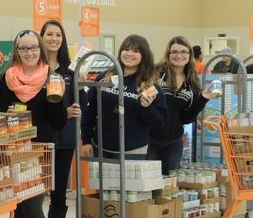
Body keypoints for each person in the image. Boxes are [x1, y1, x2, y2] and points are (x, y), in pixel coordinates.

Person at [0, 29, 67, 218]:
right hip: (12, 151)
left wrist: (55, 100)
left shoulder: (52, 77)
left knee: (32, 206)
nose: (29, 53)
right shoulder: (6, 79)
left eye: (33, 48)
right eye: (24, 48)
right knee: (18, 208)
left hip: (39, 152)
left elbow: (58, 122)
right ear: (17, 51)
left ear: (40, 50)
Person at [40, 20, 84, 218]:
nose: (53, 38)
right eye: (49, 34)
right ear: (41, 37)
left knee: (58, 195)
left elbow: (82, 101)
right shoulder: (33, 69)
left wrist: (77, 112)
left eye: (58, 34)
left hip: (65, 141)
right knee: (33, 196)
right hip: (39, 141)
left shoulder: (70, 71)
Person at [81, 34, 167, 160]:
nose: (129, 54)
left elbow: (160, 122)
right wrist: (86, 139)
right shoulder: (104, 78)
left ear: (144, 55)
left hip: (133, 150)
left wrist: (147, 108)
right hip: (100, 147)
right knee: (101, 181)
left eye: (136, 51)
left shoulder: (150, 86)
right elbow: (90, 110)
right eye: (126, 49)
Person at [148, 37, 220, 175]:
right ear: (168, 54)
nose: (179, 56)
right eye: (174, 52)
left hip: (173, 142)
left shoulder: (192, 82)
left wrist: (203, 98)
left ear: (189, 55)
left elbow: (186, 118)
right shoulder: (155, 73)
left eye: (183, 52)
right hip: (149, 140)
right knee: (147, 185)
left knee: (170, 185)